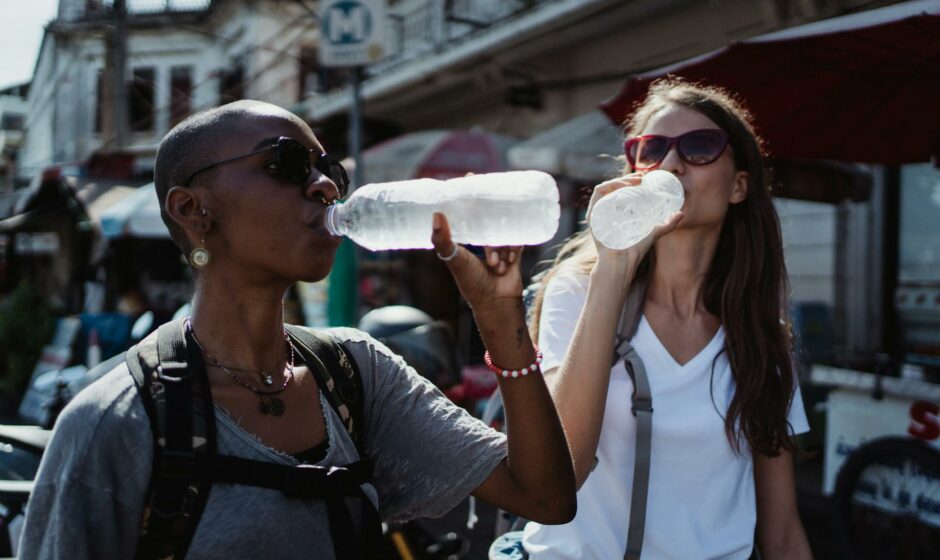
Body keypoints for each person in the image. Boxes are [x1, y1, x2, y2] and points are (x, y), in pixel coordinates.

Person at [19, 100, 576, 559]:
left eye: (327, 172)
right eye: (286, 164)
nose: (323, 188)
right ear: (193, 209)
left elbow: (545, 498)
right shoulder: (115, 422)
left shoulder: (356, 372)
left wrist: (500, 322)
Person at [522, 78, 813, 559]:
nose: (672, 164)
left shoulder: (760, 336)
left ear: (739, 185)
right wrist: (612, 271)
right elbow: (562, 470)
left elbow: (781, 533)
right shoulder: (578, 290)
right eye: (652, 148)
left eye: (699, 147)